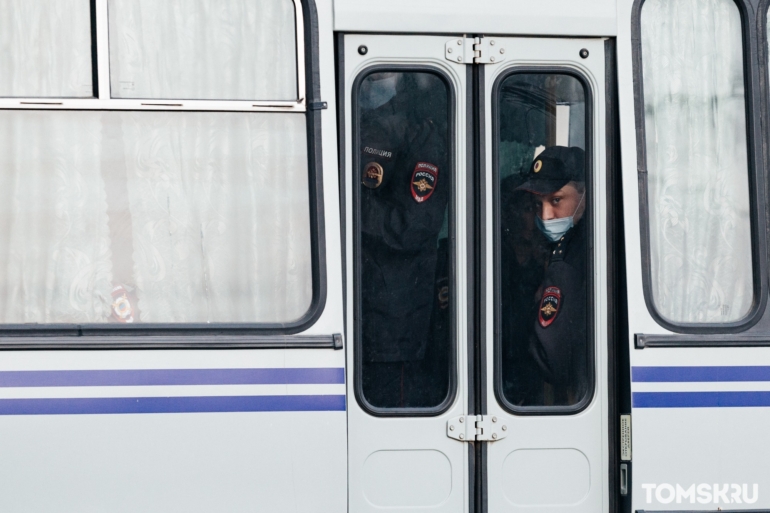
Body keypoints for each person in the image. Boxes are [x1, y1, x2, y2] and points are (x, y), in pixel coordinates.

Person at [357, 72, 450, 408]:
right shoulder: (354, 111)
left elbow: (411, 226)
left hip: (393, 322)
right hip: (358, 310)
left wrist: (349, 205)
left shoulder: (420, 134)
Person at [515, 146, 588, 406]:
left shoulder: (571, 260)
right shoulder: (560, 248)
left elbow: (553, 362)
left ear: (585, 195)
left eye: (556, 200)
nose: (545, 216)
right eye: (537, 204)